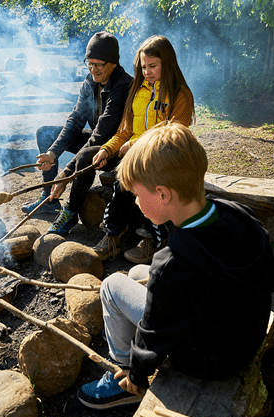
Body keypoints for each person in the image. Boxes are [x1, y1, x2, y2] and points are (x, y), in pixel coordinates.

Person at [76, 122, 274, 410]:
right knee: (137, 273)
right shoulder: (238, 214)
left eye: (137, 194)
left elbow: (155, 331)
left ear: (163, 194)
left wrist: (138, 371)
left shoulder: (172, 264)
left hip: (207, 360)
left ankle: (123, 376)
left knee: (112, 286)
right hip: (244, 334)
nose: (135, 203)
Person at [89, 35, 194, 262]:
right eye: (143, 66)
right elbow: (124, 131)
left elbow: (172, 133)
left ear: (168, 64)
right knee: (123, 178)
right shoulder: (138, 91)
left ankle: (153, 240)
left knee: (148, 182)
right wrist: (107, 150)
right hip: (138, 157)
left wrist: (136, 145)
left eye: (153, 66)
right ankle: (113, 235)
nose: (147, 72)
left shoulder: (180, 94)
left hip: (170, 158)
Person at [21, 32, 132, 230]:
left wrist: (67, 171)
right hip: (97, 142)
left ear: (113, 63)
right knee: (45, 133)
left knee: (86, 154)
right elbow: (76, 120)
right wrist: (52, 152)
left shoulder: (123, 85)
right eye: (89, 63)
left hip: (117, 150)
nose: (93, 69)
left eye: (99, 64)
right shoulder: (90, 81)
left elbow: (102, 133)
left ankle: (71, 212)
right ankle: (49, 199)